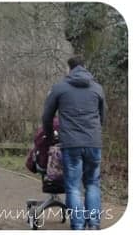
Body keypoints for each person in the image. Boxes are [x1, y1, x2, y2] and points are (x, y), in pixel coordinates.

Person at [41, 56, 105, 230]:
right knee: (92, 183)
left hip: (71, 143)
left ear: (69, 69)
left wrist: (49, 137)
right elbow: (101, 117)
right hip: (93, 142)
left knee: (73, 186)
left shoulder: (59, 88)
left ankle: (77, 226)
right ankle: (93, 224)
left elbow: (47, 117)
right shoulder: (97, 88)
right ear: (84, 67)